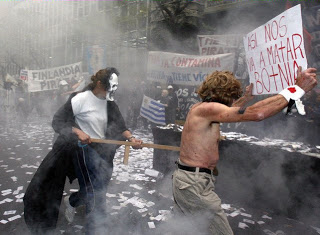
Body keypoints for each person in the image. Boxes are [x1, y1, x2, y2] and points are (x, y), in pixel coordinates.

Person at [172, 67, 317, 235]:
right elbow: (257, 114)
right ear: (225, 93)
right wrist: (297, 88)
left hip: (193, 180)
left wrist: (246, 98)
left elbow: (229, 111)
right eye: (233, 95)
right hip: (192, 183)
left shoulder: (203, 108)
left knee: (193, 229)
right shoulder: (206, 109)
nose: (233, 100)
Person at [24, 67, 143, 235]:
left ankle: (72, 201)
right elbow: (58, 121)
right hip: (80, 150)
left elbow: (120, 125)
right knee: (96, 191)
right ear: (100, 83)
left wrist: (131, 139)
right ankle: (95, 228)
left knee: (99, 186)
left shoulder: (109, 102)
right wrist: (77, 131)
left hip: (104, 152)